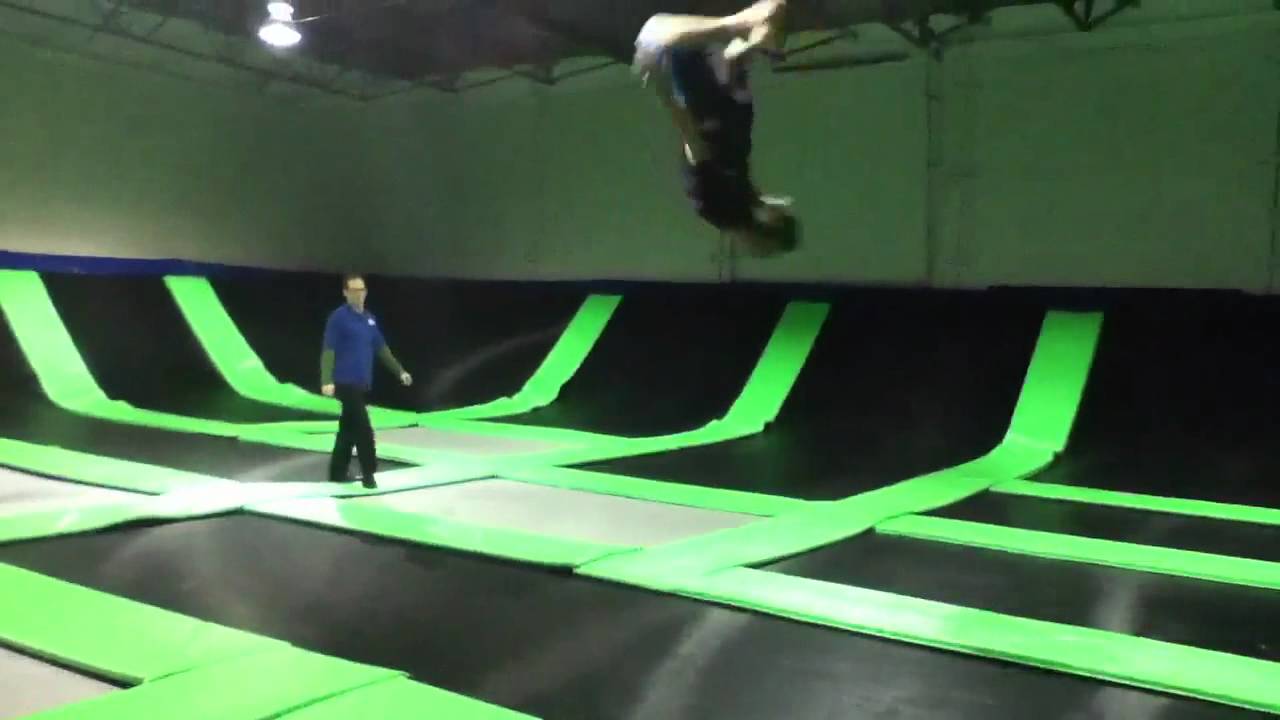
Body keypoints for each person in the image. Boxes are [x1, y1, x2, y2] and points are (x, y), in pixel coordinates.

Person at [633, 0, 799, 258]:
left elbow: (725, 169)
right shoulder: (722, 212)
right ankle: (742, 24)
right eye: (762, 252)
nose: (755, 254)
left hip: (733, 107)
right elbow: (694, 143)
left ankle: (747, 38)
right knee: (650, 37)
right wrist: (660, 85)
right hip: (708, 102)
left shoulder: (743, 207)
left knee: (769, 13)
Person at [320, 274, 412, 489]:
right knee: (363, 428)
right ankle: (369, 474)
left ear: (366, 292)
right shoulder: (338, 318)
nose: (358, 294)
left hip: (361, 383)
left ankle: (337, 472)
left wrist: (400, 372)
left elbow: (381, 348)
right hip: (344, 382)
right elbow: (328, 350)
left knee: (348, 429)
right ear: (345, 293)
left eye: (361, 290)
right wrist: (326, 379)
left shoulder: (369, 319)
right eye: (353, 290)